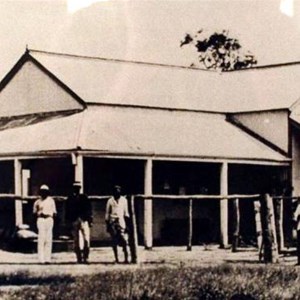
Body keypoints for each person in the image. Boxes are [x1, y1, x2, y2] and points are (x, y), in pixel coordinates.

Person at [66, 181, 93, 264]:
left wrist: (89, 220)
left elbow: (89, 210)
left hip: (84, 220)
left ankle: (86, 257)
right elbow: (67, 211)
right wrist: (69, 222)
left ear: (80, 188)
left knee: (86, 239)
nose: (76, 189)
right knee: (76, 241)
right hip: (74, 220)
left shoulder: (84, 197)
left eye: (78, 188)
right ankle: (79, 258)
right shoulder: (70, 199)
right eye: (75, 188)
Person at [105, 185, 130, 264]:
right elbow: (107, 213)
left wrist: (127, 225)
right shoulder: (110, 201)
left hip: (121, 222)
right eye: (115, 191)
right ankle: (117, 258)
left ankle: (126, 258)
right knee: (114, 241)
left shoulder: (124, 200)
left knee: (124, 240)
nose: (117, 192)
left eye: (118, 190)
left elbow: (126, 213)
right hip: (113, 222)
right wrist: (108, 224)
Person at [33, 184, 57, 264]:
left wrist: (50, 216)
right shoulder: (37, 202)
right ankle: (41, 259)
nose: (43, 193)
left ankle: (47, 259)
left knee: (48, 239)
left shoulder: (51, 201)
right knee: (41, 239)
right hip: (41, 220)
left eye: (45, 192)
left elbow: (54, 212)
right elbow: (34, 212)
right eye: (42, 192)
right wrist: (39, 214)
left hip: (49, 219)